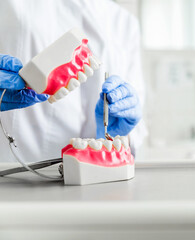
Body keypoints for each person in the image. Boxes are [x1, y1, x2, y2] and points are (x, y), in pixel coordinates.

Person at [0, 0, 147, 163]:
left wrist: (114, 136)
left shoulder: (124, 22)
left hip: (91, 175)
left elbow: (137, 127)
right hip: (8, 170)